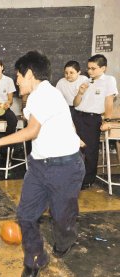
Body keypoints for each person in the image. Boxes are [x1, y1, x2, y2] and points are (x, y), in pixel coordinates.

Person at [0, 51, 85, 277]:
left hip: (65, 167)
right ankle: (35, 259)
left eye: (18, 76)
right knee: (26, 215)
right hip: (39, 167)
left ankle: (65, 239)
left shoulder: (45, 94)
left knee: (61, 218)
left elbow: (32, 131)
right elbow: (62, 120)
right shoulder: (37, 97)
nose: (17, 81)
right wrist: (75, 135)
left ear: (29, 74)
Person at [73, 54, 118, 189]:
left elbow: (108, 101)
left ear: (103, 68)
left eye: (93, 68)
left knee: (89, 150)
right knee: (75, 149)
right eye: (88, 68)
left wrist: (107, 120)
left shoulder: (109, 80)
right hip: (78, 116)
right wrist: (80, 93)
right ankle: (75, 178)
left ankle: (87, 180)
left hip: (92, 119)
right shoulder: (85, 81)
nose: (90, 71)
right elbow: (75, 104)